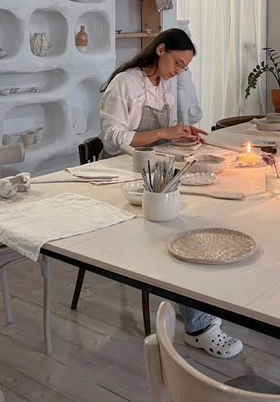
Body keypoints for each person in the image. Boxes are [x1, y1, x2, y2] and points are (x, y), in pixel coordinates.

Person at [99, 28, 243, 358]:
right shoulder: (125, 83)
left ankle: (199, 299)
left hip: (159, 168)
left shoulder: (167, 84)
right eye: (176, 63)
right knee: (184, 230)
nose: (177, 72)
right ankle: (200, 326)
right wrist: (165, 132)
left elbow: (164, 136)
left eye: (183, 68)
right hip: (123, 175)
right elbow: (112, 139)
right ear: (160, 49)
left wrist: (183, 135)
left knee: (211, 214)